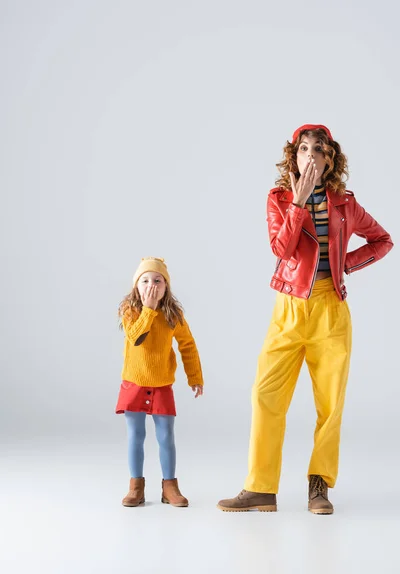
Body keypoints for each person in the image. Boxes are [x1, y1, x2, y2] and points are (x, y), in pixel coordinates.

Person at [217, 124, 393, 514]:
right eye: (304, 149)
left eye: (319, 149)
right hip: (289, 307)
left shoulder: (346, 204)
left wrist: (344, 265)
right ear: (293, 157)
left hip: (331, 310)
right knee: (265, 395)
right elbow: (281, 247)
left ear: (330, 159)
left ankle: (319, 487)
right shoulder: (278, 198)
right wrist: (297, 202)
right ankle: (261, 488)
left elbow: (383, 240)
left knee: (330, 404)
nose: (311, 155)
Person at [116, 257, 203, 508]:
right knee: (136, 435)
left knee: (166, 436)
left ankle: (170, 486)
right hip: (134, 383)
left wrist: (194, 377)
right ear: (136, 286)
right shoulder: (129, 311)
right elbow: (135, 338)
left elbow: (187, 344)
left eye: (157, 280)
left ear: (166, 286)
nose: (151, 285)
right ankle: (136, 487)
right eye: (145, 280)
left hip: (162, 384)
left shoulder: (173, 314)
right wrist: (149, 309)